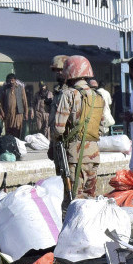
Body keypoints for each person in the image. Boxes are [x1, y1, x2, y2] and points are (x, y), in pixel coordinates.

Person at [51, 55, 105, 208]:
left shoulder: (68, 95)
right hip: (94, 155)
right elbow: (101, 127)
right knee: (90, 200)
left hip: (75, 155)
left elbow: (58, 129)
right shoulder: (98, 96)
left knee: (73, 200)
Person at [0, 74, 28, 139]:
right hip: (8, 113)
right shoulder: (5, 89)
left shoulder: (20, 88)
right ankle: (10, 145)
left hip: (18, 113)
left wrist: (26, 113)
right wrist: (2, 112)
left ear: (15, 80)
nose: (11, 82)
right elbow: (0, 102)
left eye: (12, 80)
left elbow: (24, 101)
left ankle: (16, 144)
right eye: (9, 81)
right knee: (9, 130)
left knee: (17, 129)